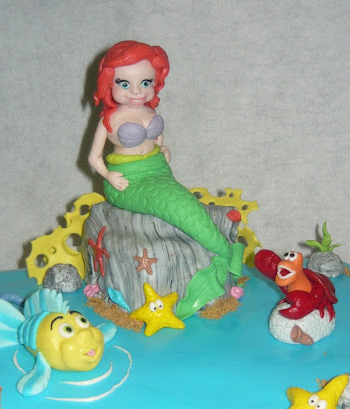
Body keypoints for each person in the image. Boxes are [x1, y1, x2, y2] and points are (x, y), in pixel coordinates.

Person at [88, 41, 244, 319]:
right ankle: (223, 252)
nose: (136, 91)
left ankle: (220, 253)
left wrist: (164, 150)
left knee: (184, 204)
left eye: (145, 82)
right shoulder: (109, 120)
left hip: (158, 171)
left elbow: (158, 140)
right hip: (127, 181)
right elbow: (94, 157)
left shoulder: (151, 112)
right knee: (178, 206)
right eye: (124, 83)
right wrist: (109, 175)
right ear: (108, 83)